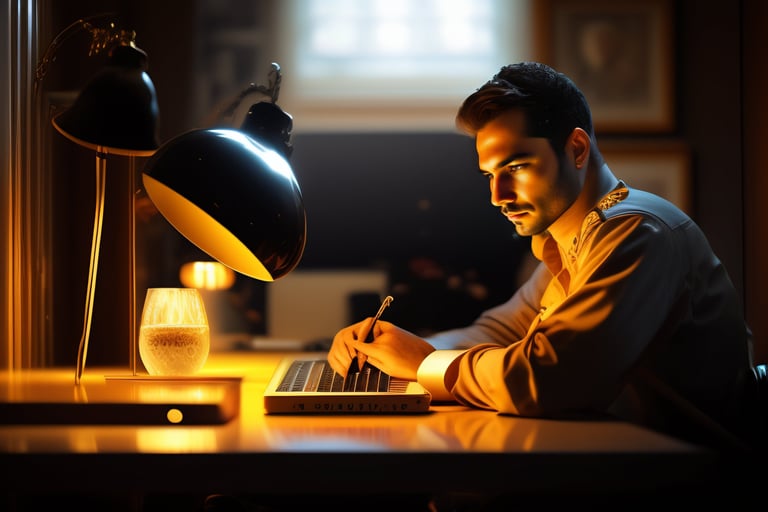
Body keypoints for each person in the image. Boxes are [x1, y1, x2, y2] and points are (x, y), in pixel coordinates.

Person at [328, 61, 761, 453]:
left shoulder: (633, 234)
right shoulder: (569, 238)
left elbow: (547, 379)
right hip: (621, 464)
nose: (498, 196)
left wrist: (424, 362)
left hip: (688, 484)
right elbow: (497, 329)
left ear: (575, 149)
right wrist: (390, 350)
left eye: (516, 168)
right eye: (490, 175)